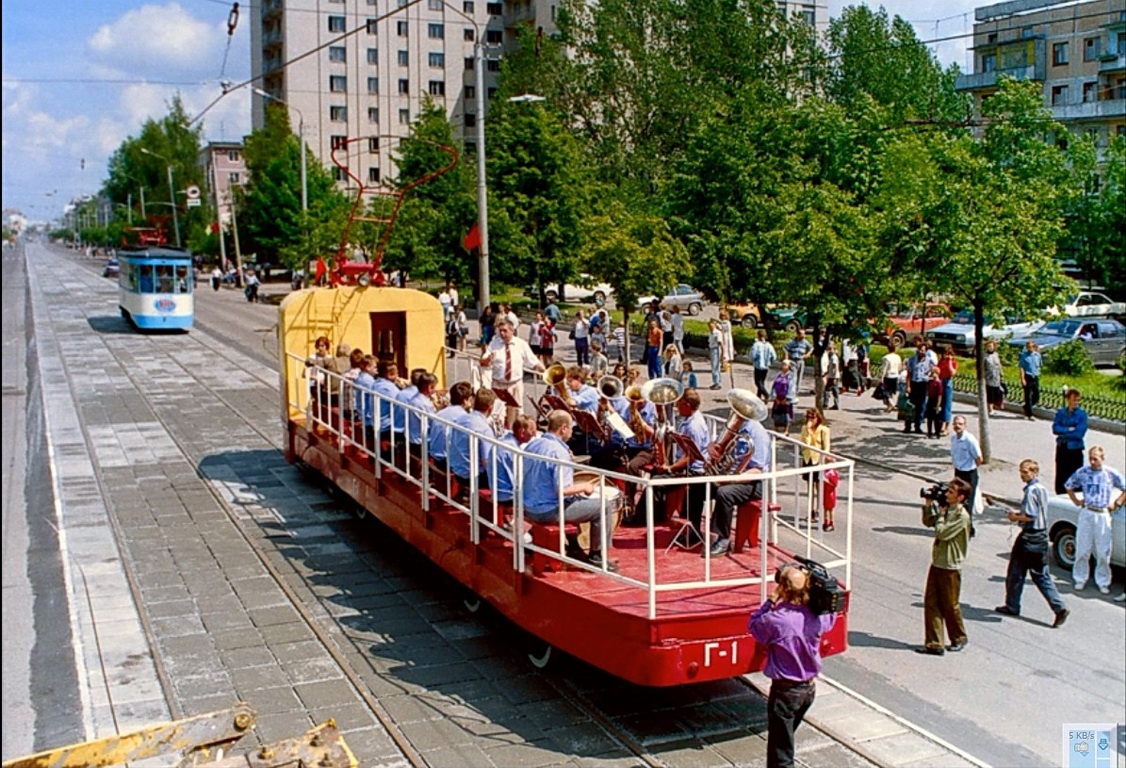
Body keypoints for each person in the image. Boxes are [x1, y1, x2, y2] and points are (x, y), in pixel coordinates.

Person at [748, 564, 837, 768]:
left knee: (781, 754)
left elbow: (754, 625)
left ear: (783, 589)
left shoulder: (777, 619)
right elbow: (830, 617)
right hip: (808, 691)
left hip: (785, 692)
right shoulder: (816, 616)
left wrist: (771, 600)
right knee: (784, 741)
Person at [523, 410, 617, 570]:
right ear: (564, 428)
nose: (572, 432)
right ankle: (597, 556)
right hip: (547, 511)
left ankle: (573, 545)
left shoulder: (533, 444)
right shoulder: (559, 452)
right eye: (571, 428)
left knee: (575, 502)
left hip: (529, 506)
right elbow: (563, 490)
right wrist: (585, 486)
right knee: (604, 506)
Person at [995, 460, 1069, 627]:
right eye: (1021, 472)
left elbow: (1030, 515)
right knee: (1041, 574)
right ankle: (1058, 606)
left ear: (1034, 473)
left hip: (1030, 537)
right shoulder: (1042, 490)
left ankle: (1012, 605)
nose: (1023, 475)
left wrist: (1015, 517)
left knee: (1016, 572)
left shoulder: (1030, 491)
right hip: (1041, 537)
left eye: (1026, 472)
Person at [916, 477, 973, 656]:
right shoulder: (947, 510)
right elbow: (928, 522)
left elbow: (942, 532)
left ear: (960, 497)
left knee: (950, 604)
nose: (947, 494)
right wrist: (928, 504)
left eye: (951, 492)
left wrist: (941, 516)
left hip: (950, 565)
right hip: (938, 562)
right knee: (931, 602)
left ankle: (959, 637)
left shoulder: (961, 516)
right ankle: (934, 643)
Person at [1064, 446, 1126, 595]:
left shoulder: (1110, 474)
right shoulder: (1083, 472)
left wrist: (1117, 502)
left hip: (1103, 513)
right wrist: (1076, 501)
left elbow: (1125, 488)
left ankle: (1103, 581)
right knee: (1083, 547)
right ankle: (1080, 578)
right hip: (1087, 512)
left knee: (1103, 550)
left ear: (1102, 459)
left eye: (1095, 459)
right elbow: (1068, 485)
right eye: (1090, 458)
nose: (1092, 461)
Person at [708, 415, 773, 555]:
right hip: (732, 476)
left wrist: (731, 479)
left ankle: (723, 540)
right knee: (698, 484)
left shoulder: (757, 434)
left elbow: (757, 470)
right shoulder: (734, 428)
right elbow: (717, 445)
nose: (734, 414)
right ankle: (692, 528)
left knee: (724, 493)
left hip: (752, 483)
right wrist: (712, 447)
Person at [481, 317, 544, 428]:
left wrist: (546, 371)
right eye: (500, 330)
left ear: (512, 331)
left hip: (515, 384)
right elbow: (483, 361)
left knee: (517, 412)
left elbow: (533, 361)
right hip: (498, 385)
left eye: (505, 331)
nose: (502, 333)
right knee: (497, 413)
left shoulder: (521, 344)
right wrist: (487, 360)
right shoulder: (494, 343)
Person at [429, 381, 473, 471]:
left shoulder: (440, 413)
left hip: (436, 457)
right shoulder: (463, 418)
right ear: (466, 400)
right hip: (448, 461)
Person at [1052, 388, 1087, 495]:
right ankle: (1060, 493)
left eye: (1078, 400)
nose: (1076, 403)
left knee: (1075, 474)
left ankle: (1075, 494)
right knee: (1061, 473)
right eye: (1074, 400)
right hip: (1062, 447)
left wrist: (1063, 432)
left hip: (1074, 448)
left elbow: (1079, 433)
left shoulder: (1081, 415)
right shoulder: (1061, 412)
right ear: (1068, 400)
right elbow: (1055, 428)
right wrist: (1068, 429)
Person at [801, 409, 831, 530]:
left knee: (819, 488)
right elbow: (804, 444)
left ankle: (819, 510)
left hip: (818, 460)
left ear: (817, 418)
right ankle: (811, 510)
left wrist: (824, 461)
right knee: (810, 488)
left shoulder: (824, 430)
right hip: (808, 459)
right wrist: (808, 432)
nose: (810, 420)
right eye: (808, 417)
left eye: (813, 418)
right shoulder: (804, 429)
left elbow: (826, 447)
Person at [950, 415, 983, 515]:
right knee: (958, 500)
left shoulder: (970, 440)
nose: (957, 426)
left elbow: (979, 458)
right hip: (958, 473)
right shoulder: (953, 438)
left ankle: (969, 528)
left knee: (968, 502)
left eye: (960, 424)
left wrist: (971, 467)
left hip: (969, 474)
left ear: (965, 425)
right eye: (955, 424)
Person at [905, 340, 933, 435]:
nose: (922, 352)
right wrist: (908, 386)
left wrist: (930, 377)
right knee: (911, 405)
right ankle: (907, 425)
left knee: (921, 406)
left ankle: (918, 426)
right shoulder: (912, 359)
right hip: (914, 383)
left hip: (923, 384)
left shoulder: (929, 361)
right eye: (920, 350)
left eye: (924, 350)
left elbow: (933, 371)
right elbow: (909, 373)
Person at [784, 330, 813, 395]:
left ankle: (796, 391)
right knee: (793, 376)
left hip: (801, 360)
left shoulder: (805, 342)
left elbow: (811, 348)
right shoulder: (792, 342)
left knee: (799, 377)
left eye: (804, 334)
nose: (803, 336)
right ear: (798, 334)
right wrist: (787, 360)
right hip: (793, 361)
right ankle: (791, 390)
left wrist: (808, 354)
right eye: (801, 334)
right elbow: (785, 349)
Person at [937, 345, 958, 436]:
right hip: (940, 381)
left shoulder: (953, 362)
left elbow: (952, 373)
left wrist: (949, 361)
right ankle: (939, 425)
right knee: (939, 404)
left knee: (946, 405)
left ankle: (945, 427)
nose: (946, 355)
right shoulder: (941, 361)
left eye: (948, 354)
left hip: (947, 382)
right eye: (945, 354)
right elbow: (937, 370)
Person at [1018, 340, 1041, 421]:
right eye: (1028, 347)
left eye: (1031, 347)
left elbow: (1039, 365)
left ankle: (1026, 407)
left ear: (1034, 347)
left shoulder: (1037, 355)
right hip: (1028, 376)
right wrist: (1022, 378)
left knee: (1037, 395)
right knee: (1028, 396)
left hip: (1035, 376)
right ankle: (1030, 414)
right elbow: (1021, 368)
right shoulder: (1024, 356)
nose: (1030, 348)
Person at [751, 330, 777, 401]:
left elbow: (753, 355)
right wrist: (769, 362)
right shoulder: (769, 345)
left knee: (757, 382)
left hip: (758, 366)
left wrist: (754, 360)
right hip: (766, 367)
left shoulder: (756, 345)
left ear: (758, 336)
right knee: (762, 381)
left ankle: (766, 394)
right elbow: (774, 356)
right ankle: (758, 396)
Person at [878, 341, 903, 412]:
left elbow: (884, 369)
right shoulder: (898, 357)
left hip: (888, 376)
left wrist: (882, 377)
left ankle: (892, 404)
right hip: (896, 376)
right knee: (892, 391)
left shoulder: (886, 358)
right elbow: (900, 367)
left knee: (886, 392)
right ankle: (889, 406)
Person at [983, 340, 1004, 416]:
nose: (990, 348)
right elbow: (982, 367)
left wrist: (1001, 374)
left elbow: (999, 365)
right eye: (988, 346)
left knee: (997, 392)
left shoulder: (996, 355)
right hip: (989, 377)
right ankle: (990, 409)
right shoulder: (985, 356)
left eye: (991, 346)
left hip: (997, 376)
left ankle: (996, 405)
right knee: (990, 394)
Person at [925, 369, 943, 439]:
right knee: (929, 418)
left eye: (933, 373)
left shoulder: (939, 383)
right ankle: (929, 432)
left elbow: (940, 394)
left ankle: (937, 432)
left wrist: (938, 404)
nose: (932, 374)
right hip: (930, 399)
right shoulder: (930, 382)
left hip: (936, 400)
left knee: (936, 418)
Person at [821, 343, 840, 410]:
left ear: (834, 350)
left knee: (827, 390)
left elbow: (835, 367)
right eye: (828, 349)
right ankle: (836, 404)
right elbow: (830, 367)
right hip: (832, 376)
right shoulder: (831, 357)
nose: (829, 351)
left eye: (830, 349)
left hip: (833, 377)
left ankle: (825, 404)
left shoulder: (833, 357)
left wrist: (834, 376)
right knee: (835, 391)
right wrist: (826, 374)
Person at [707, 319, 724, 390]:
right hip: (712, 349)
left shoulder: (717, 333)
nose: (711, 327)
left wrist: (723, 353)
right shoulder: (711, 333)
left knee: (715, 366)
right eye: (709, 325)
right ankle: (716, 382)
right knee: (714, 366)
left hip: (716, 349)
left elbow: (720, 343)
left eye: (712, 325)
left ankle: (717, 383)